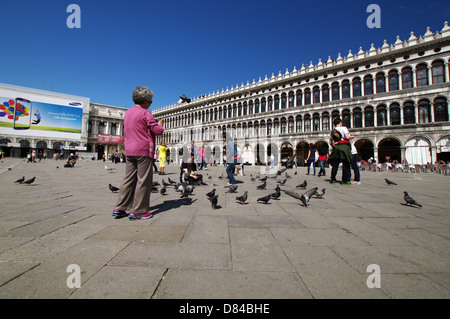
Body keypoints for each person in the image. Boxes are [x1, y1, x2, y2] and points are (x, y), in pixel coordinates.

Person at [113, 86, 164, 220]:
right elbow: (157, 131)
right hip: (143, 151)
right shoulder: (146, 113)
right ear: (145, 101)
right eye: (150, 101)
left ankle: (120, 208)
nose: (151, 103)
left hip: (129, 151)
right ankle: (138, 210)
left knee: (128, 179)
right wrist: (160, 124)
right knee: (143, 180)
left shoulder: (128, 113)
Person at [328, 117, 353, 185]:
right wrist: (352, 137)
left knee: (335, 164)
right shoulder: (344, 128)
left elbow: (330, 142)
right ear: (340, 122)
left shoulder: (333, 131)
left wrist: (333, 146)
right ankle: (344, 180)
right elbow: (347, 137)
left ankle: (333, 178)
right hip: (344, 147)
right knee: (345, 163)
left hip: (337, 148)